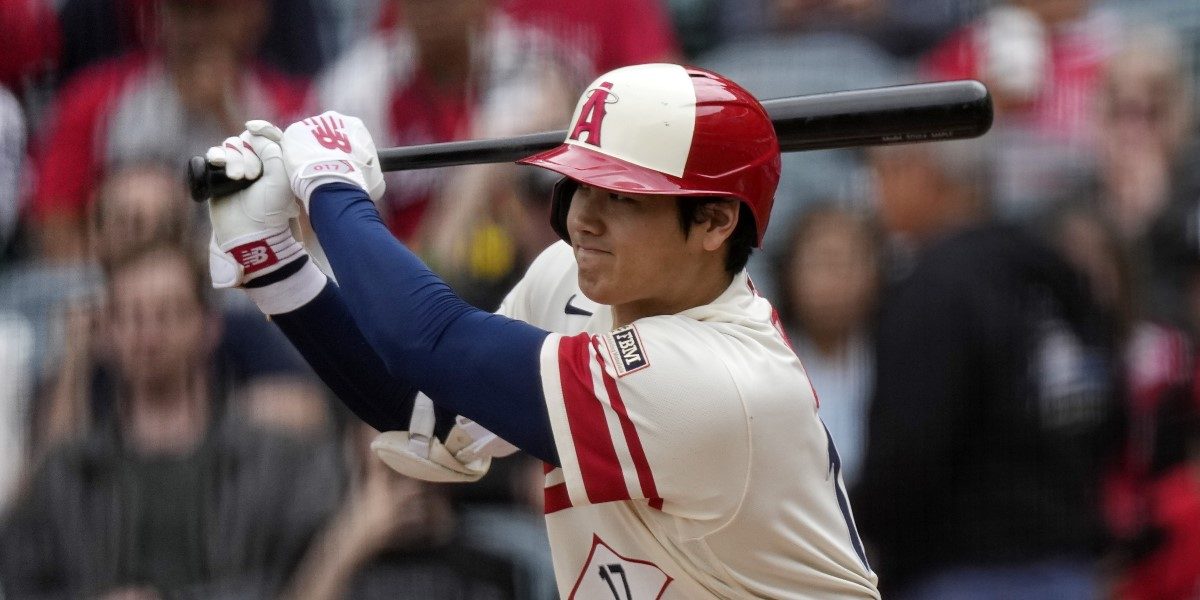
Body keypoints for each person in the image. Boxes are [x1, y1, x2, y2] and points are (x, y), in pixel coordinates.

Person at [203, 63, 880, 598]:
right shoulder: (573, 279)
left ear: (713, 223)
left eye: (620, 196)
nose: (581, 219)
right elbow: (431, 410)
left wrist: (331, 185)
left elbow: (426, 338)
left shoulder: (719, 381)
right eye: (578, 184)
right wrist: (274, 263)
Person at [853, 139, 1122, 599]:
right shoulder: (1049, 268)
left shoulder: (932, 287)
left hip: (965, 572)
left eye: (884, 173)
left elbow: (909, 452)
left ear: (924, 174)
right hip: (1072, 569)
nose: (874, 193)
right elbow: (1112, 414)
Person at [0, 242, 341, 599]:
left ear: (209, 327)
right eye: (131, 316)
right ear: (107, 331)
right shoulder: (67, 472)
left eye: (167, 313)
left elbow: (305, 579)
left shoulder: (274, 461)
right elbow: (22, 578)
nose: (148, 335)